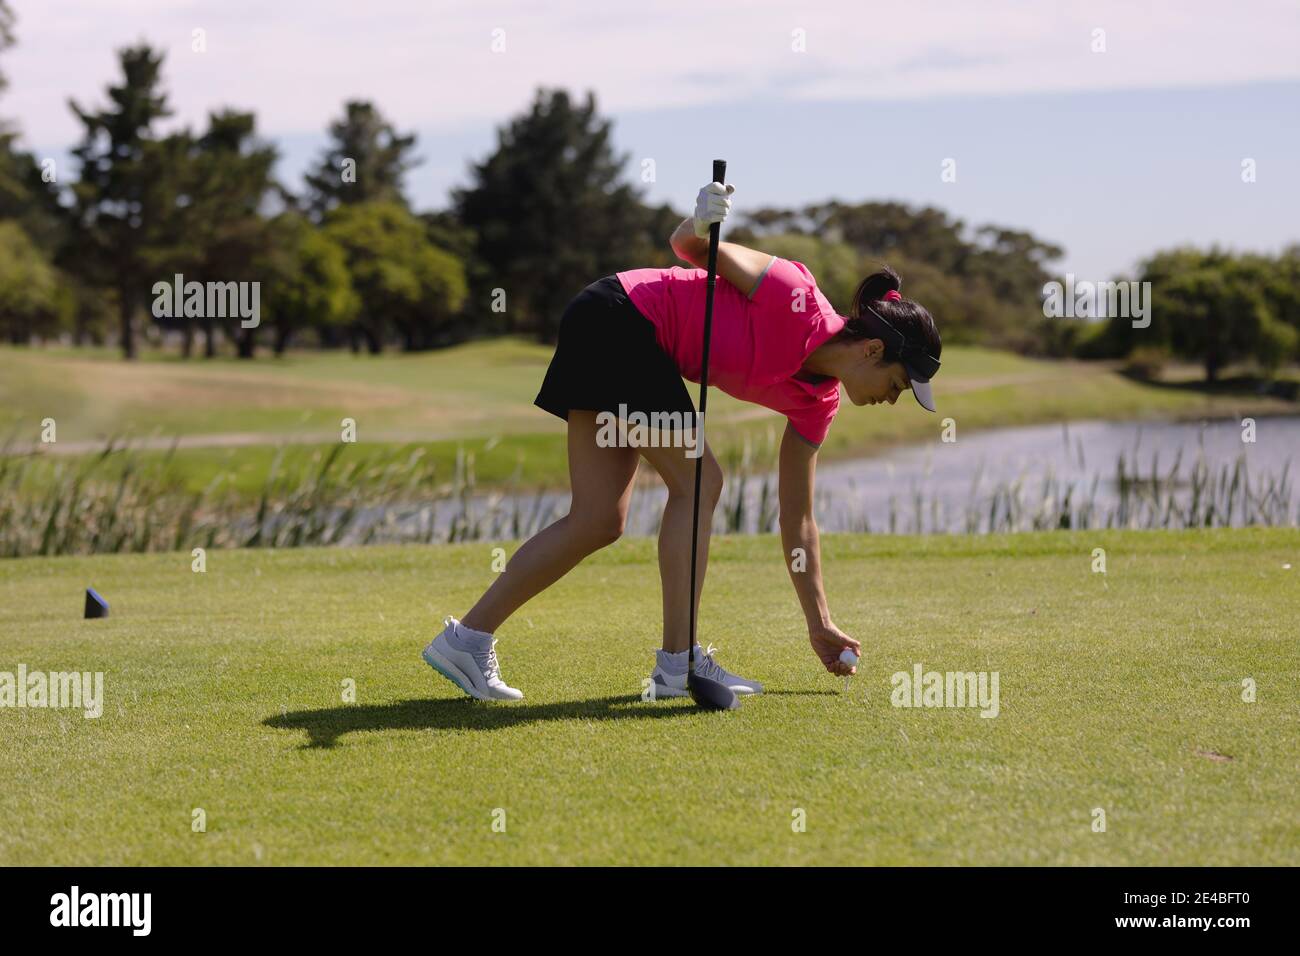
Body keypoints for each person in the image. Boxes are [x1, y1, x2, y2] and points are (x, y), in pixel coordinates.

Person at [423, 180, 943, 701]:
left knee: (598, 519)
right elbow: (692, 248)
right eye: (898, 385)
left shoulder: (819, 402)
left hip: (627, 340)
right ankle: (677, 665)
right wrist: (700, 220)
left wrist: (820, 622)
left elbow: (798, 519)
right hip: (619, 315)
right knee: (701, 482)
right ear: (873, 350)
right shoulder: (792, 291)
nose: (892, 400)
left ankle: (466, 639)